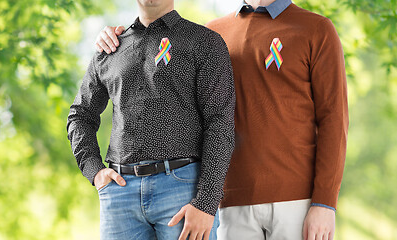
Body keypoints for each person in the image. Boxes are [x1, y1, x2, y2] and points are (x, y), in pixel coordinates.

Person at [95, 0, 349, 239]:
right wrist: (117, 37)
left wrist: (325, 202)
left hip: (296, 200)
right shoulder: (213, 33)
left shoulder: (316, 29)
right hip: (229, 200)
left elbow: (334, 120)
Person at [67, 0, 236, 239]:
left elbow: (220, 124)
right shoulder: (110, 48)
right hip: (120, 196)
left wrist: (206, 203)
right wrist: (94, 170)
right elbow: (80, 115)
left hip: (183, 190)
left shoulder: (204, 42)